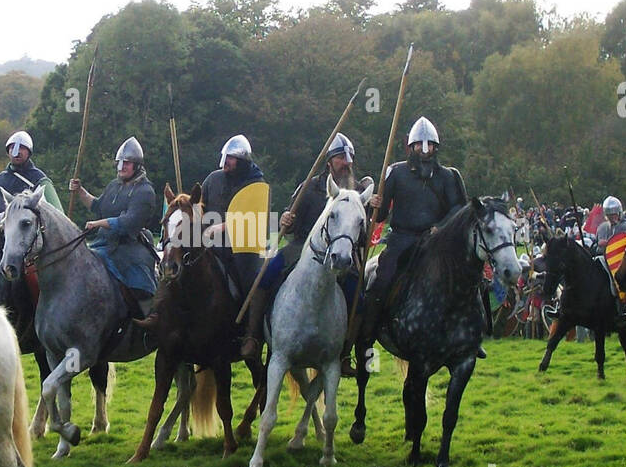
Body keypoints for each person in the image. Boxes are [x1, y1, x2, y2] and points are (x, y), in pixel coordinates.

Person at [242, 132, 366, 361]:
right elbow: (290, 225)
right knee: (264, 275)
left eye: (349, 158)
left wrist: (375, 207)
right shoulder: (309, 187)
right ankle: (253, 337)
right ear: (329, 162)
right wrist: (286, 222)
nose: (346, 163)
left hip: (340, 253)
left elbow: (363, 229)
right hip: (300, 247)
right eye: (340, 158)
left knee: (359, 297)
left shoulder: (357, 191)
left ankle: (345, 353)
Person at [360, 116, 467, 343]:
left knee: (465, 279)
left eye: (429, 146)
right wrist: (375, 205)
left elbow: (459, 209)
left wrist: (440, 227)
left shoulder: (448, 176)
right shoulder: (395, 173)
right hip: (401, 241)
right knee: (382, 282)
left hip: (435, 244)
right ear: (411, 146)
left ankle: (469, 335)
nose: (425, 150)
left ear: (436, 147)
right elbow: (380, 216)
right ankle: (368, 334)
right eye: (420, 145)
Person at [69, 137, 160, 315]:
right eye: (120, 163)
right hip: (104, 243)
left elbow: (126, 223)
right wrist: (80, 191)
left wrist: (97, 224)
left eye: (127, 163)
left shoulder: (145, 191)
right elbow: (97, 206)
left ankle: (149, 322)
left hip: (130, 247)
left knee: (140, 286)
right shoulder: (114, 185)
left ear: (137, 166)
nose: (122, 167)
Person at [200, 134, 268, 307]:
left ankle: (249, 327)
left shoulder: (255, 184)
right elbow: (201, 204)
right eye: (226, 157)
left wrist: (220, 228)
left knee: (250, 283)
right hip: (209, 242)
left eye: (231, 158)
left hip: (243, 246)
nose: (226, 162)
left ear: (241, 160)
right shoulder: (213, 179)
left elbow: (251, 220)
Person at [0, 130, 61, 232]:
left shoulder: (39, 179)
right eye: (13, 148)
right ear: (8, 152)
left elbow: (56, 215)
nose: (17, 151)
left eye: (22, 148)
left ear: (29, 152)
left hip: (28, 238)